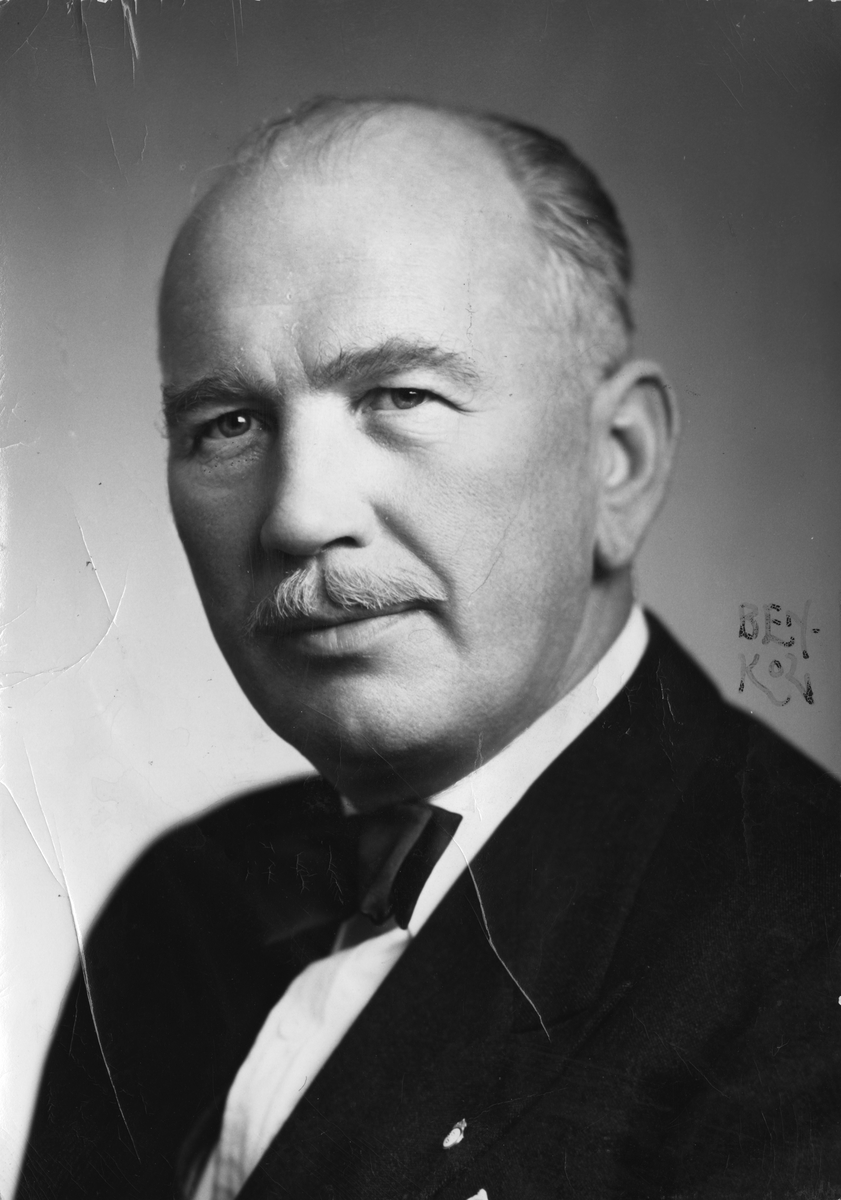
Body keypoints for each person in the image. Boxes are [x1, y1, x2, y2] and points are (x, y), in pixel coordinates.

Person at [16, 97, 840, 1200]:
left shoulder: (804, 947)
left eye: (402, 395)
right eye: (228, 425)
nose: (299, 515)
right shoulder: (180, 908)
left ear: (620, 461)